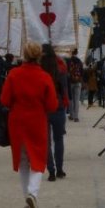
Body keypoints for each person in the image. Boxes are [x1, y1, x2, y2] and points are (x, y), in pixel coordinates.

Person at [1, 41, 58, 208]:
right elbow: (52, 105)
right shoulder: (45, 77)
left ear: (24, 55)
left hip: (17, 122)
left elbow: (4, 99)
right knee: (39, 159)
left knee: (23, 161)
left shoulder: (13, 74)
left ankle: (28, 196)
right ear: (39, 56)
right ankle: (33, 193)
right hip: (37, 121)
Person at [40, 43, 69, 180]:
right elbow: (64, 88)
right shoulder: (61, 67)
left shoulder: (39, 69)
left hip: (42, 107)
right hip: (57, 105)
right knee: (59, 139)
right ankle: (60, 169)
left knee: (46, 140)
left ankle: (50, 170)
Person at [65, 48, 84, 122]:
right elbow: (82, 72)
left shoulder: (68, 61)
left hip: (70, 82)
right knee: (77, 100)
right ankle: (76, 117)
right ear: (77, 53)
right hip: (78, 82)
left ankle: (71, 115)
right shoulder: (80, 61)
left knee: (71, 99)